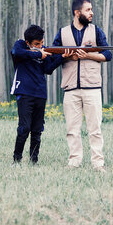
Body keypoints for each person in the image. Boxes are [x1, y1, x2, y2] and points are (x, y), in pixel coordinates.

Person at [52, 0, 112, 171]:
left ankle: (98, 163)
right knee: (72, 129)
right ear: (77, 13)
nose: (91, 13)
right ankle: (74, 161)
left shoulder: (96, 31)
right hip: (70, 88)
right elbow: (54, 57)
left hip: (92, 87)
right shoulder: (63, 33)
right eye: (88, 10)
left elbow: (108, 54)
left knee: (95, 129)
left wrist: (88, 55)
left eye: (91, 9)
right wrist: (66, 56)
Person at [10, 24, 66, 164]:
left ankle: (33, 160)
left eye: (41, 43)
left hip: (40, 93)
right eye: (37, 44)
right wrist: (38, 53)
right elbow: (17, 52)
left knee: (37, 129)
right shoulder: (20, 45)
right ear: (28, 42)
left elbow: (48, 69)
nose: (40, 45)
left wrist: (62, 57)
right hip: (24, 92)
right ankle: (17, 159)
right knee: (24, 128)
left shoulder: (43, 50)